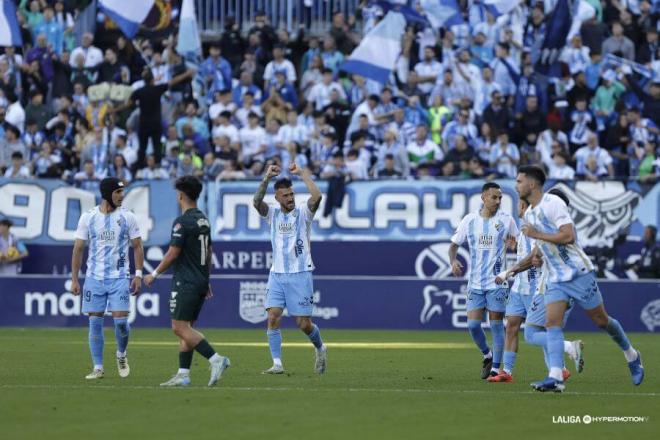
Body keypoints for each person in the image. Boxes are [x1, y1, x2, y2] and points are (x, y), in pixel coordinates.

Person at [512, 165, 643, 392]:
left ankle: (631, 354)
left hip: (577, 273)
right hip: (554, 278)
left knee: (602, 321)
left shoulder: (554, 203)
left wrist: (537, 235)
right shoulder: (531, 214)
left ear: (532, 184)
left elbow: (568, 236)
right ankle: (555, 377)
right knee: (551, 324)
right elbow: (545, 243)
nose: (516, 186)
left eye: (519, 181)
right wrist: (538, 256)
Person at [144, 176, 230, 387]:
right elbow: (208, 252)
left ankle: (216, 359)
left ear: (181, 195)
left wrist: (153, 274)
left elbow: (173, 253)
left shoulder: (182, 222)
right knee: (188, 328)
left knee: (179, 327)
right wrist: (205, 278)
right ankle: (183, 374)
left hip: (186, 281)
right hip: (199, 279)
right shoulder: (203, 219)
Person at [490, 194, 582, 383]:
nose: (520, 207)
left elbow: (535, 256)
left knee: (538, 331)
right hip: (519, 287)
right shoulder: (522, 226)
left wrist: (510, 271)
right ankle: (507, 371)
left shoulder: (539, 226)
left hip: (537, 286)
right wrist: (515, 246)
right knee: (511, 326)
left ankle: (561, 364)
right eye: (520, 203)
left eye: (523, 204)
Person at [252, 163, 327, 374]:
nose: (290, 198)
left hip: (301, 273)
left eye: (291, 194)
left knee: (303, 324)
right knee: (273, 316)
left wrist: (303, 173)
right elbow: (256, 201)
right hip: (277, 273)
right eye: (285, 195)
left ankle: (321, 348)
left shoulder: (304, 212)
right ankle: (277, 363)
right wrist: (266, 178)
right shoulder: (272, 213)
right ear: (277, 198)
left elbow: (317, 197)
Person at [70, 178, 144, 380]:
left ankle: (121, 354)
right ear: (107, 193)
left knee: (120, 322)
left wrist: (138, 274)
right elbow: (78, 248)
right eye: (118, 192)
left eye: (123, 192)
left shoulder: (128, 217)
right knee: (95, 322)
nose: (122, 196)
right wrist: (75, 279)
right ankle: (98, 367)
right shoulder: (88, 217)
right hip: (94, 278)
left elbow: (137, 246)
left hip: (119, 277)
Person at [448, 182, 518, 380]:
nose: (497, 201)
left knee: (496, 325)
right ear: (483, 198)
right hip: (475, 283)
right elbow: (453, 246)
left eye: (500, 198)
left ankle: (496, 369)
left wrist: (514, 245)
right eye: (494, 197)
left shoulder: (506, 220)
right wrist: (453, 261)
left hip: (497, 282)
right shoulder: (469, 220)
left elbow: (519, 243)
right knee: (472, 325)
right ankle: (487, 355)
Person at [111, 67, 194, 170]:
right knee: (157, 147)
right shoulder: (157, 89)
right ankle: (158, 165)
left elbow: (128, 104)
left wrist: (114, 110)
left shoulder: (139, 92)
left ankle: (140, 167)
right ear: (152, 80)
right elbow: (172, 82)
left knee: (142, 148)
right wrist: (186, 74)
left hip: (144, 124)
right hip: (155, 123)